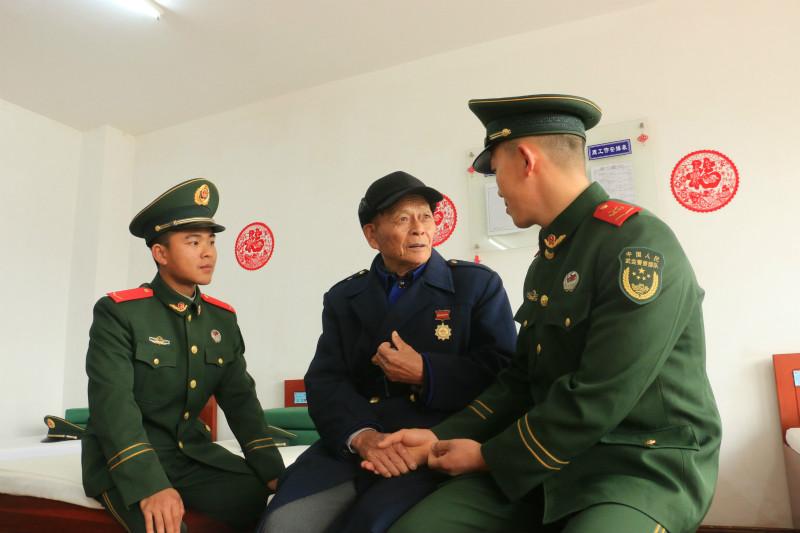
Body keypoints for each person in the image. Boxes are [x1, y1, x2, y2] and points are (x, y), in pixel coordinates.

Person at [376, 95, 722, 533]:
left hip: (635, 465)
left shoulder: (636, 244)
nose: (498, 188)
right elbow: (522, 380)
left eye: (496, 171)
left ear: (525, 160)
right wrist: (440, 435)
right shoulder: (547, 262)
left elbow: (602, 393)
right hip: (543, 464)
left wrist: (488, 456)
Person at [258, 171, 516, 533]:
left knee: (372, 524)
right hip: (359, 441)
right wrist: (363, 437)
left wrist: (426, 372)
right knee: (283, 523)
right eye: (403, 219)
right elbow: (326, 380)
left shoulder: (475, 285)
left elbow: (504, 374)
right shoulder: (344, 298)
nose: (419, 228)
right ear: (371, 234)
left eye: (425, 216)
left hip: (432, 443)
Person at [81, 178, 284, 533]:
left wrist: (272, 470)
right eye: (193, 242)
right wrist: (149, 485)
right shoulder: (120, 313)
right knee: (166, 527)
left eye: (211, 242)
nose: (208, 253)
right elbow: (113, 405)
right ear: (161, 254)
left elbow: (241, 402)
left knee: (269, 504)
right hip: (126, 461)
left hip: (190, 456)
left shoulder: (221, 320)